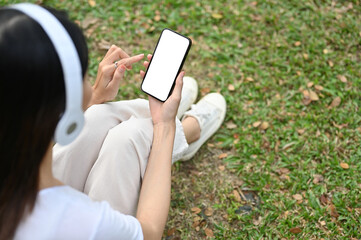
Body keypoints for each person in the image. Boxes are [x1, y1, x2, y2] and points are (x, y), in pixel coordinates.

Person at [0, 3, 226, 240]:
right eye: (85, 76)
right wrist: (164, 127)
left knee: (97, 117)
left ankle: (171, 124)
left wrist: (94, 99)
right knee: (130, 138)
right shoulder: (87, 223)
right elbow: (148, 232)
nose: (90, 81)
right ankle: (186, 131)